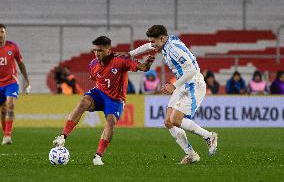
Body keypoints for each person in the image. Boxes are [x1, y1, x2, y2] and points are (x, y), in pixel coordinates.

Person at [52, 36, 154, 165]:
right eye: (95, 50)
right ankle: (62, 136)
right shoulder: (93, 64)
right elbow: (97, 79)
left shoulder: (121, 60)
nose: (96, 54)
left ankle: (98, 156)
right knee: (83, 102)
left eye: (100, 51)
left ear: (108, 50)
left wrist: (148, 63)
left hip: (116, 99)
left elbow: (143, 68)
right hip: (100, 93)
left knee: (110, 121)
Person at [130, 25, 218, 164]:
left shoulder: (174, 49)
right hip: (182, 84)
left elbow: (192, 71)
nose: (152, 45)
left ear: (162, 38)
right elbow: (147, 46)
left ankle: (209, 136)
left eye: (154, 41)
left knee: (176, 120)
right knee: (168, 122)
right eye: (151, 41)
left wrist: (173, 85)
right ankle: (191, 155)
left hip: (193, 84)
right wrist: (128, 55)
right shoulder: (164, 43)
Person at [0, 24, 30, 145]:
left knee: (10, 105)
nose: (0, 34)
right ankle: (4, 133)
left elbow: (21, 64)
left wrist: (27, 80)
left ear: (5, 33)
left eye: (2, 32)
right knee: (3, 111)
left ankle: (8, 135)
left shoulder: (12, 47)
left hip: (11, 82)